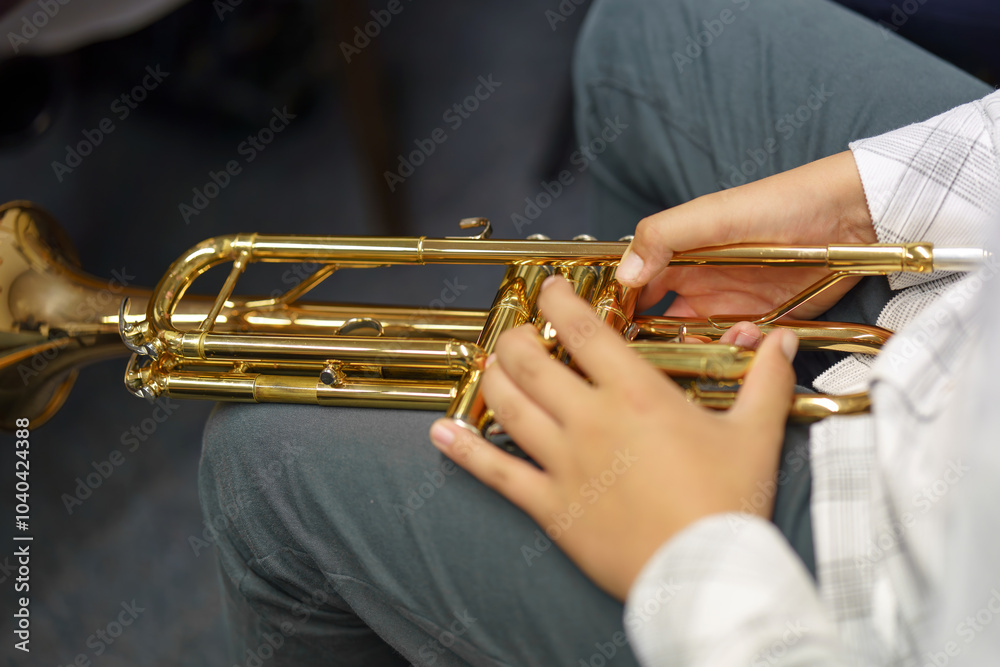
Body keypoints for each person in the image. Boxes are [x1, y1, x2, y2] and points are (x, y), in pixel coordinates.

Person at [198, 0, 1000, 664]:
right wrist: (863, 205)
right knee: (643, 34)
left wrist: (692, 548)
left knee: (259, 463)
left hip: (901, 583)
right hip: (968, 314)